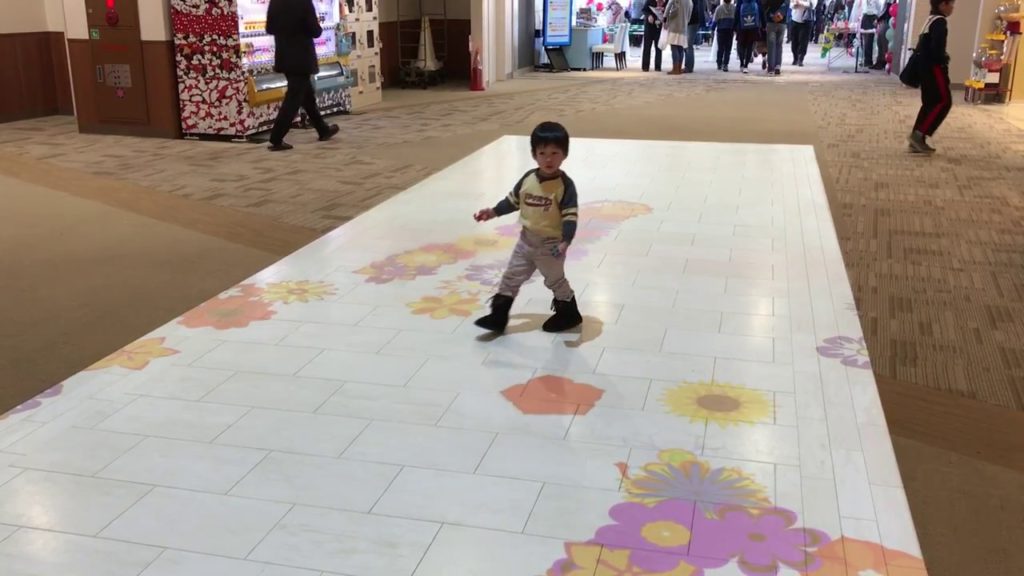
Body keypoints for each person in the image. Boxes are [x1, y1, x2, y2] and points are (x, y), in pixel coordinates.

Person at [472, 122, 583, 334]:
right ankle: (498, 316)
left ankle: (569, 314)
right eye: (542, 153)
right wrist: (493, 211)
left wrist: (565, 241)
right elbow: (513, 201)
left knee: (555, 281)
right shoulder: (528, 178)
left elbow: (570, 216)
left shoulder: (565, 186)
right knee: (511, 277)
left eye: (555, 153)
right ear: (534, 154)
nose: (548, 159)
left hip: (550, 246)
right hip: (526, 241)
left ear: (564, 154)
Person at [265, 0, 339, 152]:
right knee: (293, 98)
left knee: (307, 97)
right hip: (301, 57)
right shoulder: (303, 2)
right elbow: (315, 31)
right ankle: (276, 137)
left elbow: (269, 28)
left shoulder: (275, 2)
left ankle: (322, 129)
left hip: (284, 55)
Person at [909, 0, 954, 154]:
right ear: (943, 5)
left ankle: (917, 136)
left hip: (924, 67)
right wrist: (943, 60)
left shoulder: (931, 19)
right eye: (951, 4)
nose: (952, 8)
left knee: (929, 102)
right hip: (933, 68)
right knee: (943, 101)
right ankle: (919, 135)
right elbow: (937, 49)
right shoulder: (940, 22)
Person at [665, 0, 693, 74]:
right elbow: (689, 16)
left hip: (674, 25)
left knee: (674, 47)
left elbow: (668, 7)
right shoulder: (690, 1)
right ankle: (679, 68)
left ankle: (675, 69)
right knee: (680, 48)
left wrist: (665, 18)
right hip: (684, 27)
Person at [736, 0, 762, 74]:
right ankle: (746, 66)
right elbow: (760, 11)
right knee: (749, 46)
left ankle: (741, 63)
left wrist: (735, 25)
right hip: (753, 26)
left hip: (741, 25)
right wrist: (763, 23)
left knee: (741, 44)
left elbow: (737, 11)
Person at [764, 0, 789, 75]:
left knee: (771, 46)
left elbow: (765, 6)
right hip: (782, 22)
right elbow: (787, 5)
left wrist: (772, 15)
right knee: (779, 45)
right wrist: (780, 14)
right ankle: (778, 66)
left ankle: (771, 68)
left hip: (771, 22)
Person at [642, 0, 666, 72]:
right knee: (647, 47)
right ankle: (645, 67)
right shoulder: (649, 1)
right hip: (649, 26)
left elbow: (669, 12)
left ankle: (658, 67)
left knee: (658, 47)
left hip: (659, 27)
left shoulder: (666, 2)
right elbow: (644, 10)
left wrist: (663, 10)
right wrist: (649, 15)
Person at [684, 0, 707, 72]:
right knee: (687, 45)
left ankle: (689, 67)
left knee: (688, 44)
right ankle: (688, 65)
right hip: (691, 21)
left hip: (692, 21)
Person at [714, 0, 737, 71]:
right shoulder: (734, 8)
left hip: (721, 30)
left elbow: (715, 20)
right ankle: (725, 64)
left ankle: (719, 63)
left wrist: (712, 29)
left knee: (720, 48)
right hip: (730, 30)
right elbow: (736, 20)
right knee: (728, 48)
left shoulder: (719, 8)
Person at [790, 0, 812, 65]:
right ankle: (795, 58)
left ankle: (801, 58)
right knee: (794, 41)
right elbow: (791, 4)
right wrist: (795, 5)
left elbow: (812, 5)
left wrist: (801, 3)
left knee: (803, 41)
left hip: (806, 21)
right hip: (795, 19)